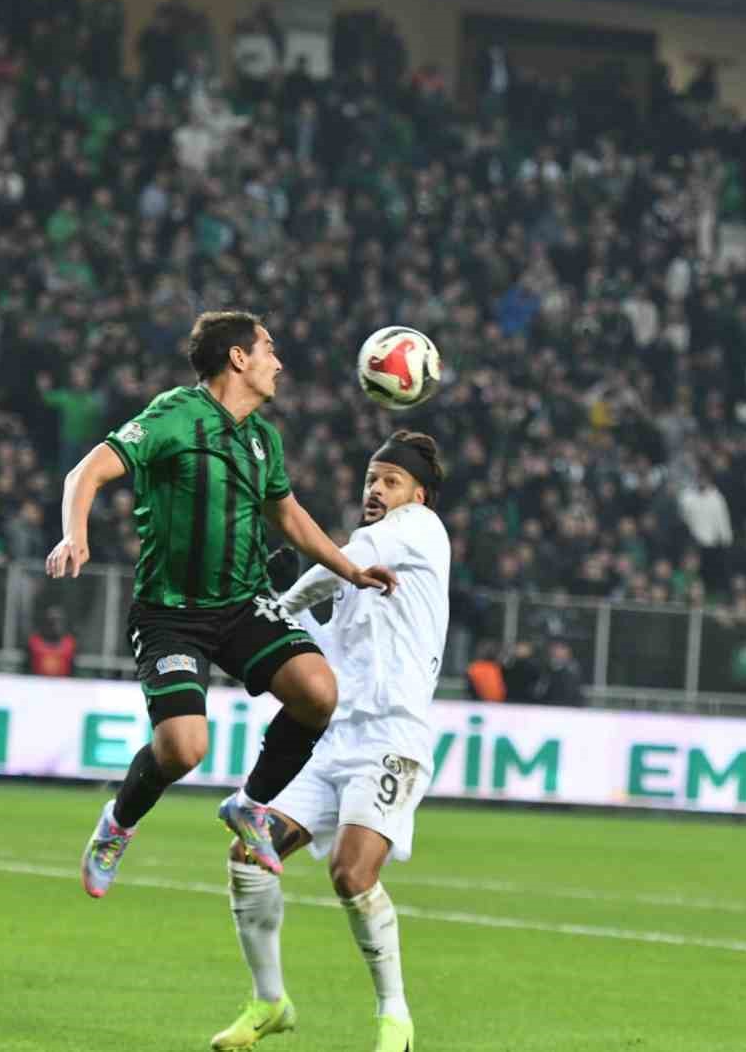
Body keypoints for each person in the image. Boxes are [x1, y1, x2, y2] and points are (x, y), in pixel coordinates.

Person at [45, 310, 396, 898]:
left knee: (318, 692)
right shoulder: (175, 415)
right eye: (268, 348)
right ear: (238, 358)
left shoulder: (263, 439)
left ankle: (251, 804)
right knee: (184, 749)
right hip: (171, 615)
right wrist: (74, 535)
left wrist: (349, 569)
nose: (278, 362)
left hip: (241, 603)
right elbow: (86, 473)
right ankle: (118, 823)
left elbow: (287, 516)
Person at [210, 431, 449, 1052]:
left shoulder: (419, 530)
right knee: (248, 854)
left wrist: (286, 600)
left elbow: (329, 570)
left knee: (351, 871)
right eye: (371, 478)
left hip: (391, 737)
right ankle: (269, 1001)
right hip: (332, 740)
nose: (376, 489)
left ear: (418, 495)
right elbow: (322, 641)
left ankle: (395, 1017)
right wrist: (274, 613)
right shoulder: (353, 566)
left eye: (391, 481)